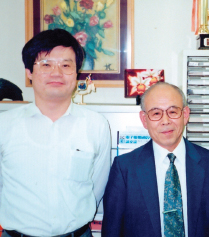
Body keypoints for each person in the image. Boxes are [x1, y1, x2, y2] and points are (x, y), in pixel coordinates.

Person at [0, 29, 111, 237]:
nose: (56, 73)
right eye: (46, 64)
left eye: (66, 65)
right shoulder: (4, 125)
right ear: (29, 72)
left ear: (76, 72)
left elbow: (97, 187)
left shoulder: (96, 125)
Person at [102, 82, 209, 237]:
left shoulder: (207, 163)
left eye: (173, 111)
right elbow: (112, 231)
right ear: (144, 119)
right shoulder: (124, 168)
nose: (165, 121)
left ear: (185, 115)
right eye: (156, 113)